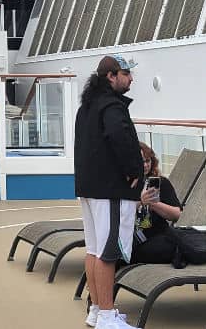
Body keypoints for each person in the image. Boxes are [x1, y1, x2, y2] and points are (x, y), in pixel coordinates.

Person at [75, 54, 144, 329]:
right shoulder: (112, 106)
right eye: (125, 73)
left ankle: (96, 310)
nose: (131, 78)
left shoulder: (88, 105)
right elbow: (119, 136)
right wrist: (133, 170)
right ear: (111, 76)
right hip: (111, 189)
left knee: (93, 249)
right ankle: (106, 315)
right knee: (108, 252)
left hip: (90, 187)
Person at [131, 142, 183, 264]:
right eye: (141, 161)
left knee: (162, 248)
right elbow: (118, 210)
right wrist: (140, 202)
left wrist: (153, 204)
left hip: (156, 235)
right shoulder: (126, 184)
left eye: (148, 161)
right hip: (131, 236)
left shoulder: (161, 183)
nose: (145, 165)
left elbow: (176, 214)